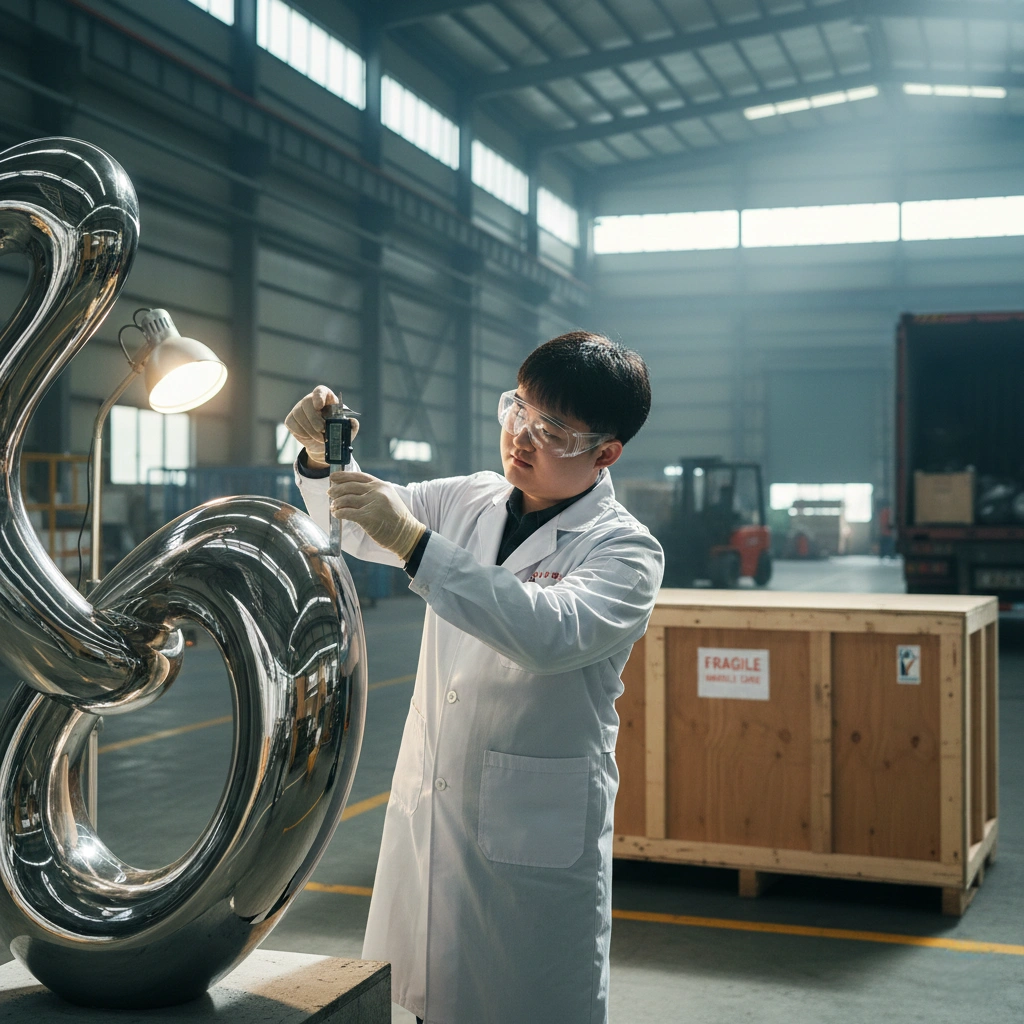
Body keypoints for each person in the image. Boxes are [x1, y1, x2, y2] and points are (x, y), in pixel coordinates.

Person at [285, 331, 664, 1024]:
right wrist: (321, 455)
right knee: (430, 1000)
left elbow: (548, 634)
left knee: (523, 999)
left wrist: (413, 543)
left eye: (552, 430)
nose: (522, 437)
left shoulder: (626, 550)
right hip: (437, 809)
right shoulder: (472, 498)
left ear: (606, 453)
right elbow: (369, 517)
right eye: (518, 410)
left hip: (532, 837)